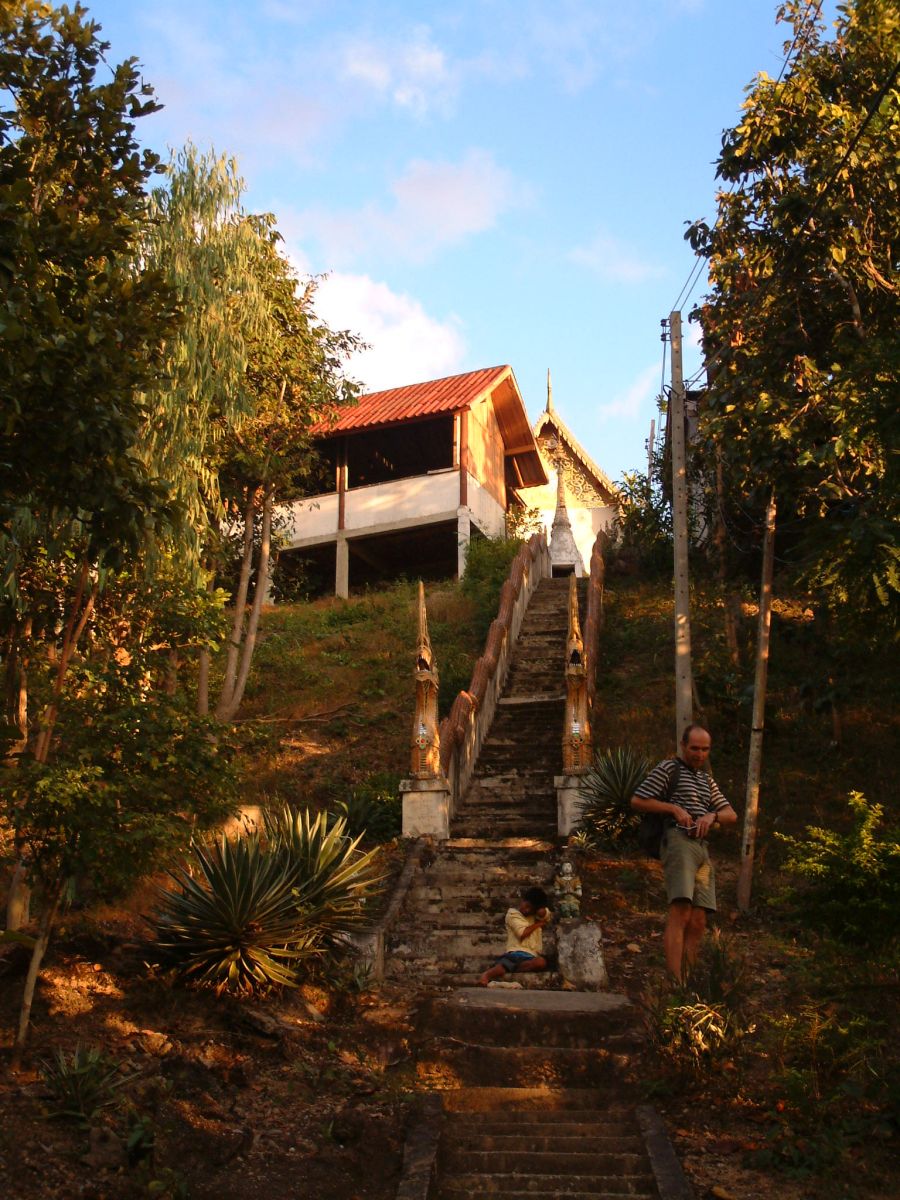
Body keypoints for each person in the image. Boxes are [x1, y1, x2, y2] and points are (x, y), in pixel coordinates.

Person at [631, 724, 737, 981]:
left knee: (699, 917)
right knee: (681, 909)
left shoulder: (705, 779)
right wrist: (673, 809)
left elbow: (731, 814)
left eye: (705, 749)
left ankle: (688, 980)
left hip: (701, 847)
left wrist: (712, 816)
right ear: (682, 745)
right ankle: (675, 981)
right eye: (694, 748)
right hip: (678, 840)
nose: (699, 754)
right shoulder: (669, 769)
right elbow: (637, 800)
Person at [478, 886, 551, 987]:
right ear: (523, 901)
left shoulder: (534, 915)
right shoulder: (512, 914)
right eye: (526, 906)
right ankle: (486, 975)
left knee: (541, 963)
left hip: (530, 956)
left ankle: (515, 968)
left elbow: (545, 913)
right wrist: (539, 924)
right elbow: (522, 934)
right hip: (514, 953)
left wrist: (539, 910)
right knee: (500, 969)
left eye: (530, 909)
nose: (526, 910)